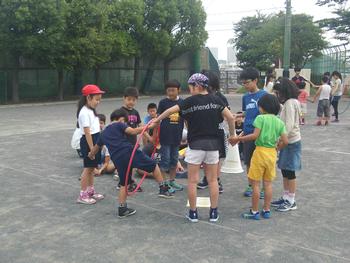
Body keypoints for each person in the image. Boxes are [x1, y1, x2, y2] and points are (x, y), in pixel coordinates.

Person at [154, 73, 236, 223]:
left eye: (190, 87)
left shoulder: (189, 102)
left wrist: (157, 120)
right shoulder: (217, 100)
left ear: (197, 86)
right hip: (213, 146)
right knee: (212, 180)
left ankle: (193, 213)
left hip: (195, 145)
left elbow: (170, 111)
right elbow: (230, 117)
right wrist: (232, 136)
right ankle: (213, 213)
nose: (189, 90)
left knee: (192, 181)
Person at [88, 109, 173, 218]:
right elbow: (132, 131)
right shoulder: (119, 124)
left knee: (124, 184)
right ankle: (163, 189)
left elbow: (95, 149)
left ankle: (122, 209)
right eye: (125, 122)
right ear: (121, 119)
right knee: (153, 165)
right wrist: (149, 127)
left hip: (118, 160)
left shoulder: (103, 134)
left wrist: (90, 155)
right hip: (129, 152)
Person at [231, 94, 288, 219]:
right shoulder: (279, 122)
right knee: (267, 184)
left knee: (255, 184)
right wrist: (277, 147)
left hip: (260, 152)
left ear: (262, 107)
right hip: (272, 153)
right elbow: (285, 140)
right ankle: (266, 210)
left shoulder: (260, 118)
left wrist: (239, 139)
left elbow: (254, 136)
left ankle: (254, 211)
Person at [271, 78, 302, 212]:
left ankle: (291, 200)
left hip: (290, 141)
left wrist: (279, 140)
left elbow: (288, 126)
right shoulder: (292, 102)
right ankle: (285, 196)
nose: (278, 95)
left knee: (290, 171)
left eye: (279, 92)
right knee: (284, 169)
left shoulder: (290, 103)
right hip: (289, 140)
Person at [197, 70, 229, 193]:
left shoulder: (220, 97)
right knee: (205, 157)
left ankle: (216, 179)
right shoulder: (199, 97)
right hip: (203, 131)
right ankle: (206, 178)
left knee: (217, 158)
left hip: (217, 131)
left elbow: (227, 115)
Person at [240, 68, 267, 198]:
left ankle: (261, 187)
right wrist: (238, 116)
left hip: (260, 134)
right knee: (249, 161)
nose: (245, 85)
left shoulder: (264, 95)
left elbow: (268, 114)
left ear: (256, 80)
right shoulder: (245, 97)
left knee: (260, 162)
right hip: (247, 133)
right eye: (243, 83)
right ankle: (251, 185)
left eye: (247, 82)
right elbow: (246, 112)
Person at [76, 84, 105, 205]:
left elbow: (95, 129)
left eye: (99, 99)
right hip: (89, 142)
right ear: (88, 98)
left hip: (95, 139)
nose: (98, 102)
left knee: (92, 168)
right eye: (96, 99)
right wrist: (92, 148)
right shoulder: (84, 112)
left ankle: (90, 191)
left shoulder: (91, 110)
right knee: (87, 169)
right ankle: (82, 195)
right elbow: (87, 133)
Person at [157, 80, 185, 192]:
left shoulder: (183, 103)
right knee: (165, 161)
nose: (171, 92)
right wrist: (155, 136)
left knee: (174, 160)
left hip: (177, 137)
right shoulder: (163, 102)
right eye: (168, 90)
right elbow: (158, 119)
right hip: (165, 137)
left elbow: (186, 119)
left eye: (173, 90)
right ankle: (164, 184)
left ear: (179, 90)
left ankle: (172, 181)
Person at [119, 87, 142, 191]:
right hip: (123, 143)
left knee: (132, 163)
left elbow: (141, 126)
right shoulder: (120, 112)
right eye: (129, 99)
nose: (131, 102)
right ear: (124, 98)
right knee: (124, 163)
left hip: (133, 142)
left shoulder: (136, 112)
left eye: (133, 100)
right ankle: (123, 182)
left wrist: (149, 137)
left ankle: (130, 181)